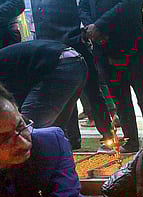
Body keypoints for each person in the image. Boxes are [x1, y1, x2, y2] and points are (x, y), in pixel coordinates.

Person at [0, 40, 88, 150]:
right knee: (55, 131)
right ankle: (61, 168)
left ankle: (36, 173)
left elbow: (9, 109)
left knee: (27, 131)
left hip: (57, 67)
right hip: (75, 62)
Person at [31, 0, 115, 147]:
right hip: (56, 46)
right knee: (74, 95)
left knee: (89, 92)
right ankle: (76, 138)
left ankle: (104, 134)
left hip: (68, 44)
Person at [79, 0, 143, 152]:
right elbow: (83, 6)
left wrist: (99, 26)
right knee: (120, 99)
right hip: (103, 47)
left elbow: (130, 4)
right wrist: (92, 29)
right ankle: (131, 141)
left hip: (131, 45)